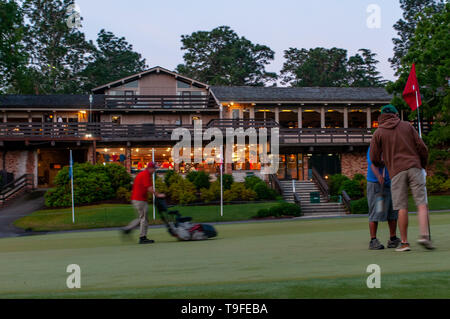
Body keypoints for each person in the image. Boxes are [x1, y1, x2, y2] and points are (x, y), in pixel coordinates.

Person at [370, 104, 433, 252]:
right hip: (414, 167)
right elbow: (422, 148)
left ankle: (404, 243)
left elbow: (374, 157)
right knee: (421, 203)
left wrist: (383, 163)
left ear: (381, 116)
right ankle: (425, 236)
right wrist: (423, 164)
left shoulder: (378, 132)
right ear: (396, 114)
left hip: (396, 171)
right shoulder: (407, 126)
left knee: (401, 206)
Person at [366, 146, 400, 250]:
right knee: (376, 211)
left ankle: (393, 239)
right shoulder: (373, 147)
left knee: (393, 212)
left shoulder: (392, 146)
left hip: (390, 183)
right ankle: (373, 240)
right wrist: (378, 176)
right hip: (376, 184)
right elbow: (372, 163)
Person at [122, 162, 165, 244]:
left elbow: (147, 188)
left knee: (142, 218)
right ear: (150, 168)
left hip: (137, 199)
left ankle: (127, 229)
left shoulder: (143, 174)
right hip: (139, 199)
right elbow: (149, 188)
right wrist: (158, 195)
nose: (154, 170)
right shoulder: (145, 175)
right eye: (154, 169)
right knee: (143, 219)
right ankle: (142, 237)